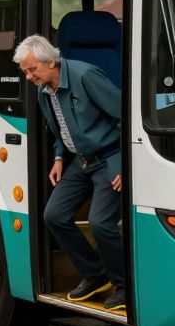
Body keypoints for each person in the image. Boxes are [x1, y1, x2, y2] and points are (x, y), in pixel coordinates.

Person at [13, 34, 126, 311]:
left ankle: (125, 286)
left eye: (32, 70)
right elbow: (59, 129)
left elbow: (126, 115)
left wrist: (124, 164)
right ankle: (95, 274)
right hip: (81, 161)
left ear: (51, 61)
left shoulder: (86, 76)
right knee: (54, 216)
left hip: (110, 157)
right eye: (25, 71)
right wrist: (59, 157)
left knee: (100, 224)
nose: (28, 77)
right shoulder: (43, 90)